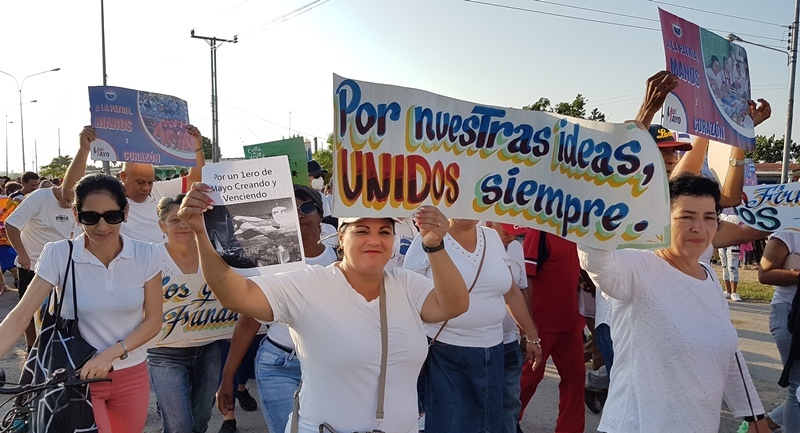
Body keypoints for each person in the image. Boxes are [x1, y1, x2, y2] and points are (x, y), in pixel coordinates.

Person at [179, 181, 470, 433]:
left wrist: (434, 245)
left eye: (384, 232)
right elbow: (236, 295)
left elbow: (454, 304)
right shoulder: (308, 284)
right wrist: (202, 235)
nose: (374, 240)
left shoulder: (406, 284)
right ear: (340, 237)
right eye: (361, 230)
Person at [578, 173, 768, 432]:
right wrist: (596, 209)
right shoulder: (639, 267)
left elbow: (728, 353)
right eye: (686, 217)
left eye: (709, 217)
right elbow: (597, 262)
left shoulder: (709, 276)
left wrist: (755, 417)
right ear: (661, 219)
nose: (699, 228)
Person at [0, 173, 163, 433]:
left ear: (126, 212)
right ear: (76, 215)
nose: (102, 226)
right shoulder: (59, 253)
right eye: (90, 217)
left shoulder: (146, 254)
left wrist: (110, 354)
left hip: (131, 376)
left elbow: (154, 320)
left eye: (112, 215)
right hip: (74, 377)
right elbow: (20, 316)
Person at [216, 185, 338, 433]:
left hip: (329, 364)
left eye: (307, 207)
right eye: (292, 210)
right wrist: (228, 377)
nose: (301, 215)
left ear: (320, 214)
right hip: (279, 365)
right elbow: (249, 321)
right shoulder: (271, 264)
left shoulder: (340, 261)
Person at [404, 219, 541, 433]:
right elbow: (407, 295)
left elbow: (511, 291)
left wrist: (531, 335)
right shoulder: (430, 238)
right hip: (444, 353)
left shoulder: (492, 237)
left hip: (494, 352)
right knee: (450, 425)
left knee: (487, 425)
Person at [146, 194, 225, 433]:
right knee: (179, 426)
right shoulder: (149, 257)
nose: (183, 225)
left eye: (189, 218)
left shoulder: (217, 253)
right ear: (162, 225)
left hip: (209, 347)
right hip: (163, 352)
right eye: (174, 220)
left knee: (200, 420)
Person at [63, 125, 205, 244]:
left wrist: (197, 148)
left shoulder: (158, 191)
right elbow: (69, 193)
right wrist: (84, 149)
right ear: (123, 176)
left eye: (150, 182)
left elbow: (195, 179)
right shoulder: (109, 196)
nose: (146, 188)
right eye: (140, 182)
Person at [5, 182, 77, 352]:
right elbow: (11, 224)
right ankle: (32, 349)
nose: (69, 203)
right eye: (69, 198)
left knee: (59, 313)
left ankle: (53, 348)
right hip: (32, 267)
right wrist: (22, 254)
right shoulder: (40, 198)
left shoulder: (76, 205)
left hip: (62, 269)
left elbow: (72, 235)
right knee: (28, 313)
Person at [758, 231, 800, 432]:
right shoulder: (790, 232)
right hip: (790, 314)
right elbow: (765, 273)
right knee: (798, 386)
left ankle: (767, 425)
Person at [719, 213, 743, 301]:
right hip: (721, 240)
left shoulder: (737, 212)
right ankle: (728, 291)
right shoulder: (720, 212)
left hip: (733, 241)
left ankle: (734, 292)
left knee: (733, 266)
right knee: (724, 266)